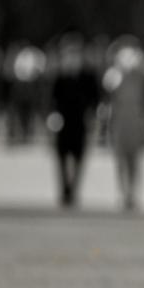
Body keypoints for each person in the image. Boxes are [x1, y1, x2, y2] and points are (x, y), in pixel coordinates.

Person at [48, 29, 100, 209]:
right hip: (63, 123)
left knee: (79, 157)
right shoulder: (60, 75)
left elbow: (95, 98)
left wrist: (93, 116)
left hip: (79, 122)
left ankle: (73, 189)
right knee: (61, 157)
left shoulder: (88, 76)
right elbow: (52, 99)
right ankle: (65, 189)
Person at [104, 37, 144, 212]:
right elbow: (109, 100)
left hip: (136, 123)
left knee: (134, 161)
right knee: (120, 160)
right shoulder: (113, 75)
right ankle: (123, 192)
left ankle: (132, 193)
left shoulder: (140, 76)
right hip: (119, 123)